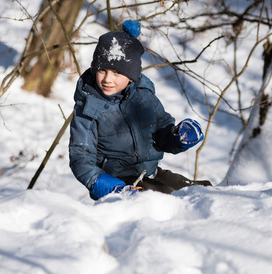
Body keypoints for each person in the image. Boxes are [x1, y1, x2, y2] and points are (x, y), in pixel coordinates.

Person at [69, 20, 211, 200]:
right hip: (118, 183)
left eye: (117, 73)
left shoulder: (144, 96)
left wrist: (178, 138)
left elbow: (161, 133)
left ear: (131, 76)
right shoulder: (88, 109)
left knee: (201, 191)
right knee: (170, 200)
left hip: (150, 173)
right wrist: (113, 188)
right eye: (102, 70)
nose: (107, 79)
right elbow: (80, 159)